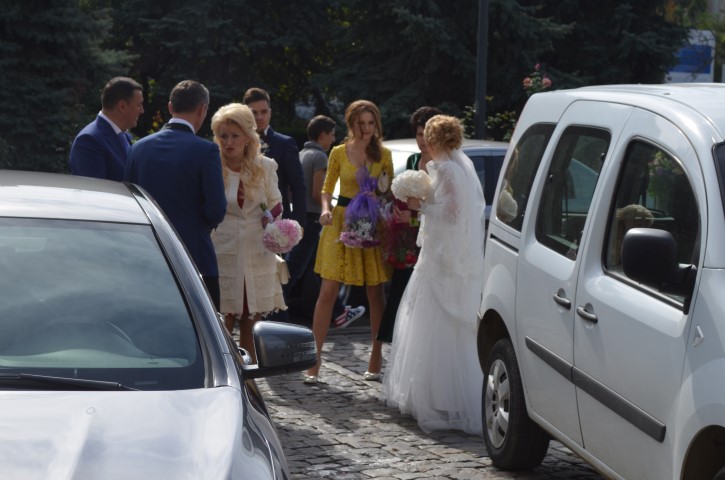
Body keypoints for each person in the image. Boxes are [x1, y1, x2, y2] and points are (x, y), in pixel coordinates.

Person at [381, 115, 486, 435]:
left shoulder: (449, 170)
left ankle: (439, 397)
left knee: (433, 322)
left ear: (434, 139)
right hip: (439, 253)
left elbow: (452, 213)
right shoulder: (452, 168)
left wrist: (420, 206)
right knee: (433, 322)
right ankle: (439, 394)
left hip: (441, 259)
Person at [303, 100, 394, 385]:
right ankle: (314, 361)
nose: (366, 128)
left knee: (375, 292)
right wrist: (326, 209)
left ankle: (376, 357)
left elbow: (389, 191)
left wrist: (382, 195)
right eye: (361, 123)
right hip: (340, 221)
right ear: (351, 123)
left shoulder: (384, 154)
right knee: (328, 290)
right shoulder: (338, 152)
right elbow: (327, 188)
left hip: (370, 223)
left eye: (371, 123)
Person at [125, 80, 226, 311]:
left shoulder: (138, 148)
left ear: (170, 107)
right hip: (194, 257)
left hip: (147, 254)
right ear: (202, 109)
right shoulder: (206, 151)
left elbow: (129, 202)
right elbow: (216, 210)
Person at [209, 103, 288, 361]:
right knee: (222, 319)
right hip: (223, 249)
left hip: (257, 250)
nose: (228, 142)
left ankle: (249, 377)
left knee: (251, 319)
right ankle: (222, 371)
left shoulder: (265, 166)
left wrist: (272, 220)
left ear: (247, 137)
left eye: (235, 135)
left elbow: (276, 202)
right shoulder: (212, 165)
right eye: (223, 135)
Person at [284, 115, 366, 327]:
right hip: (313, 219)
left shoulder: (303, 154)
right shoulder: (320, 157)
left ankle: (338, 312)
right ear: (323, 135)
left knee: (315, 268)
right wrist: (330, 206)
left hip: (300, 215)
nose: (333, 139)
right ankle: (275, 309)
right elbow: (318, 192)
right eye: (332, 135)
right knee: (296, 268)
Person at [377, 106, 442, 343]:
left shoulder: (442, 165)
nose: (422, 140)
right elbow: (403, 196)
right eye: (418, 134)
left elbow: (442, 209)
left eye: (426, 134)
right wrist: (397, 209)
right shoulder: (413, 160)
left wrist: (413, 218)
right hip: (406, 240)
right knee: (400, 291)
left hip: (432, 238)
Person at [70, 77, 144, 181]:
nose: (142, 111)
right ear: (122, 106)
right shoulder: (89, 140)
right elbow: (95, 189)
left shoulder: (126, 136)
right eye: (139, 105)